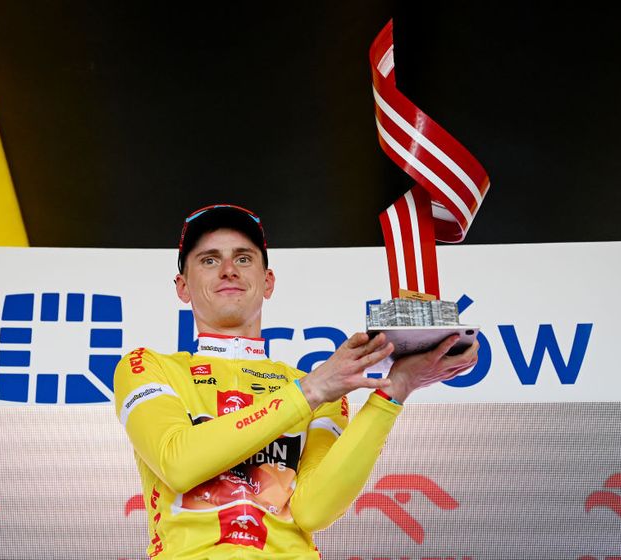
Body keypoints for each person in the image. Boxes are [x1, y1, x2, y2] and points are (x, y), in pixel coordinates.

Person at [114, 204, 478, 559]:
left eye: (243, 258)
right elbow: (179, 464)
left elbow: (313, 512)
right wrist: (310, 392)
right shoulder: (146, 366)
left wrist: (394, 391)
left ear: (267, 281)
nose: (228, 270)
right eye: (209, 260)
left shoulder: (322, 388)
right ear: (183, 287)